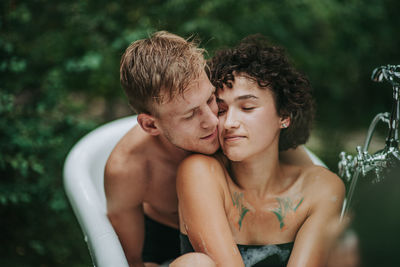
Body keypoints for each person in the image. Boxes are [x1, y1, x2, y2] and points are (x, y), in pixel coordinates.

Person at [105, 31, 315, 267]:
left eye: (210, 99)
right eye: (190, 115)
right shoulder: (128, 169)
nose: (214, 121)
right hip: (167, 246)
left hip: (246, 241)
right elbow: (130, 259)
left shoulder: (237, 128)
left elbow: (311, 187)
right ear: (150, 124)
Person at [173, 34, 345, 267]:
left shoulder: (320, 188)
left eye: (247, 107)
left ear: (284, 115)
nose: (229, 122)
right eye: (221, 110)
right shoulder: (201, 172)